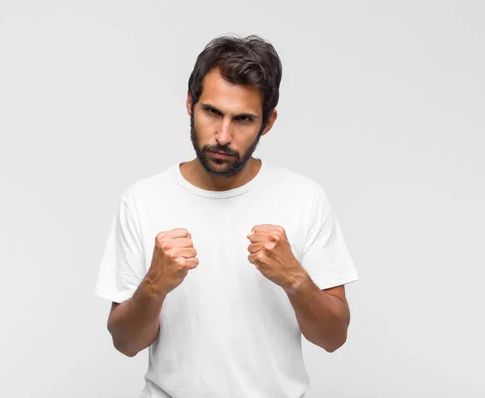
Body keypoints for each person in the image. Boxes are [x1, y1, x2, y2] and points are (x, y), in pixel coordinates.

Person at [94, 34, 360, 398]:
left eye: (244, 119)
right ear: (190, 103)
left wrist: (295, 278)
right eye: (212, 112)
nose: (223, 135)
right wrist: (154, 286)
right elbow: (125, 343)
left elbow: (333, 338)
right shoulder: (142, 201)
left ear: (268, 123)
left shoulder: (304, 199)